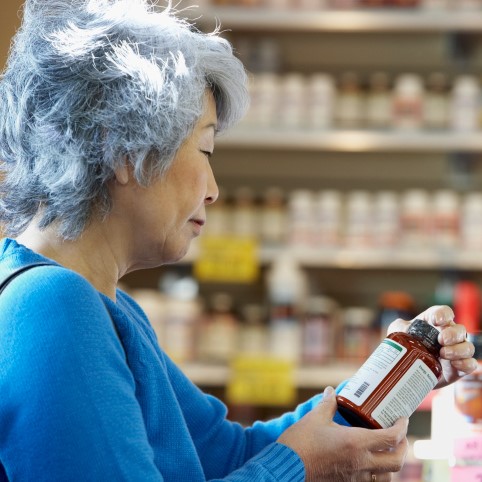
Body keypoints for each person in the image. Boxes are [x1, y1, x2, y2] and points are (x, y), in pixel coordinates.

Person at [0, 1, 476, 481]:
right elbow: (271, 462)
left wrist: (393, 377)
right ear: (121, 149)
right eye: (204, 149)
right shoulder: (53, 307)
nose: (213, 188)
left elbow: (230, 453)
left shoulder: (109, 308)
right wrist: (300, 467)